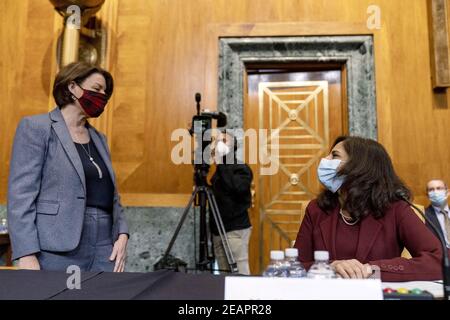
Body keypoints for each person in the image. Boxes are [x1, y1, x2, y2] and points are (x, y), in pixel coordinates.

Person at [7, 62, 129, 272]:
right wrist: (26, 253)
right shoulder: (36, 127)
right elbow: (21, 196)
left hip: (105, 248)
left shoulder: (100, 139)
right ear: (73, 87)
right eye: (97, 89)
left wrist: (123, 235)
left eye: (105, 93)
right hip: (56, 248)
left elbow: (113, 196)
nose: (102, 97)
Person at [294, 136, 442, 281]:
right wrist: (329, 267)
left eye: (334, 155)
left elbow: (438, 260)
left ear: (359, 167)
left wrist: (373, 269)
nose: (325, 160)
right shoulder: (317, 209)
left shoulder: (396, 209)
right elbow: (296, 267)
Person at [210, 131, 253, 275]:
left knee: (239, 273)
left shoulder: (241, 169)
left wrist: (221, 162)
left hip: (235, 229)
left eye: (224, 140)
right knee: (224, 274)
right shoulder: (218, 172)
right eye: (217, 141)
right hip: (218, 231)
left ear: (233, 147)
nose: (219, 144)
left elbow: (236, 188)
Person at [425, 179, 450, 248]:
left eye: (439, 188)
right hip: (442, 257)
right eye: (431, 190)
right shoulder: (424, 216)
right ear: (427, 195)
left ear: (447, 192)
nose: (435, 192)